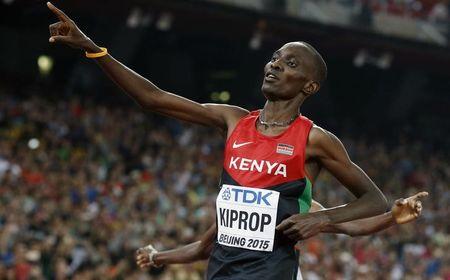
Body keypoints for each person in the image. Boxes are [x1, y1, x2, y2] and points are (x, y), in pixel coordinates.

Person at [47, 2, 391, 279]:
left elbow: (375, 201)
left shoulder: (315, 139)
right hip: (222, 272)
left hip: (273, 273)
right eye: (274, 58)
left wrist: (322, 218)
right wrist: (93, 49)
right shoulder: (234, 120)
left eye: (290, 63)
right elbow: (154, 98)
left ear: (309, 86)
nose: (274, 65)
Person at [135, 192, 428, 280]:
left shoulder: (299, 205)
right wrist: (156, 257)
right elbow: (203, 248)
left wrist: (391, 217)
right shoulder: (237, 200)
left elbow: (352, 227)